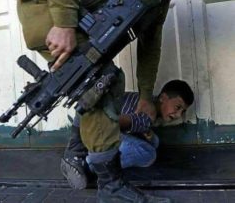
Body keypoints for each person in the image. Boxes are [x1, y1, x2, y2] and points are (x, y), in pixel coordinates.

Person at [16, 0, 232, 202]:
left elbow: (150, 46)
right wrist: (64, 22)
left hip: (74, 17)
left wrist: (145, 95)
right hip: (47, 2)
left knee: (103, 82)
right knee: (101, 81)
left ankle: (81, 159)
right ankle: (110, 186)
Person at [61, 80, 194, 189]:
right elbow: (114, 124)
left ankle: (90, 156)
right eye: (177, 107)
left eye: (182, 111)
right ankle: (88, 165)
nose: (178, 115)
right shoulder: (147, 114)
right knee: (148, 154)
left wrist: (145, 132)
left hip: (92, 125)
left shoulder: (147, 102)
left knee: (154, 142)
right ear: (163, 98)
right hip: (98, 131)